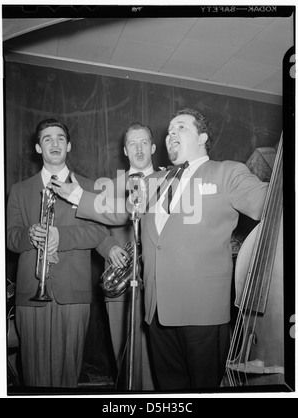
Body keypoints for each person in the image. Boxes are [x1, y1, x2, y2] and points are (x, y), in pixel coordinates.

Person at [51, 108, 269, 391]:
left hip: (202, 313)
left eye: (181, 127)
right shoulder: (153, 181)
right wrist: (78, 195)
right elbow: (119, 211)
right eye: (169, 129)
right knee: (169, 391)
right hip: (157, 312)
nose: (172, 133)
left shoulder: (227, 172)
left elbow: (269, 202)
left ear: (202, 137)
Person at [6, 118, 110, 388]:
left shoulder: (88, 186)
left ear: (69, 146)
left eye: (60, 138)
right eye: (47, 139)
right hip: (31, 291)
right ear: (38, 148)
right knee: (33, 373)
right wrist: (29, 235)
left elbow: (99, 232)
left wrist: (60, 236)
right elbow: (10, 238)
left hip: (73, 291)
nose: (55, 143)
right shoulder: (19, 190)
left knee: (68, 374)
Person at [95, 123, 155, 390]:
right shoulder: (110, 187)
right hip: (120, 280)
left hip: (159, 282)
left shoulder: (171, 184)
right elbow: (94, 230)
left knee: (159, 359)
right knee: (124, 358)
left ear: (153, 147)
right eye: (133, 143)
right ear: (125, 150)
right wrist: (109, 247)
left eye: (144, 143)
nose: (139, 148)